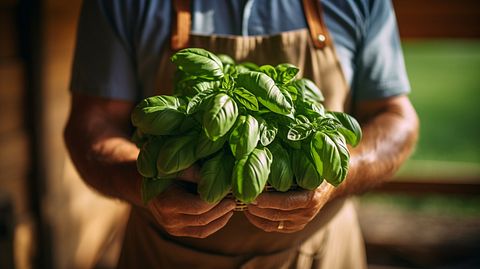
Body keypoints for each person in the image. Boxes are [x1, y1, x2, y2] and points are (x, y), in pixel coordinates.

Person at [64, 0, 419, 268]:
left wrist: (337, 178)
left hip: (320, 254)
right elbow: (91, 125)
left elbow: (396, 117)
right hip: (166, 256)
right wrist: (142, 184)